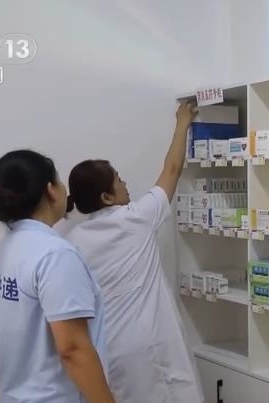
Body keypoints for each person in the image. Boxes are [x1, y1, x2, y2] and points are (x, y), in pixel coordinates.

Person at [64, 102, 202, 403]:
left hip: (110, 348)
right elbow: (172, 170)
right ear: (106, 196)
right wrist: (182, 123)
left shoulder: (73, 241)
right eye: (119, 179)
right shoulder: (135, 219)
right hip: (151, 344)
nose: (125, 184)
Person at [0, 149, 115, 403]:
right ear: (51, 190)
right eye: (59, 180)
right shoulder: (55, 255)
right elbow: (73, 349)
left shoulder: (3, 253)